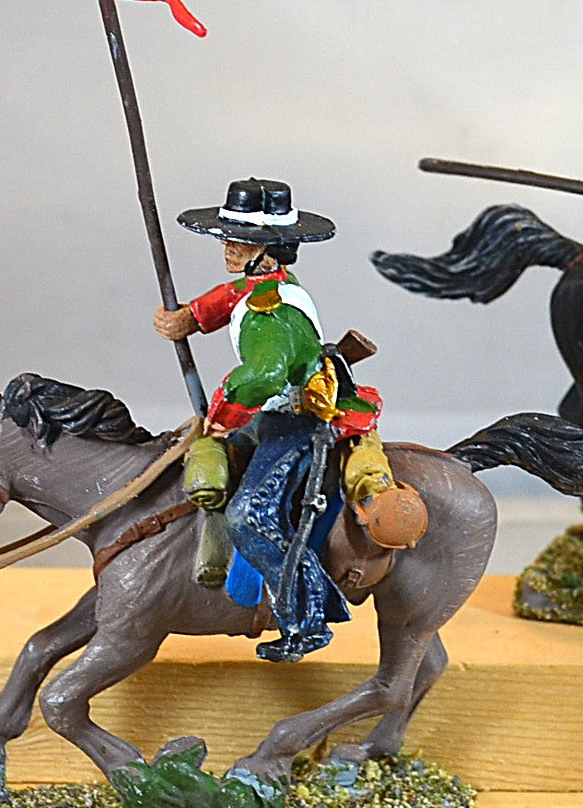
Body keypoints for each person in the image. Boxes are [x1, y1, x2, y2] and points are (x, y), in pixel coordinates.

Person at [155, 177, 426, 661]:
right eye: (229, 238)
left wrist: (222, 415)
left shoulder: (273, 313)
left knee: (249, 516)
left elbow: (263, 375)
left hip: (296, 420)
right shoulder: (266, 286)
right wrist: (190, 318)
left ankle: (307, 617)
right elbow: (232, 296)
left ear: (266, 250)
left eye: (239, 241)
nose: (228, 247)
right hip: (272, 413)